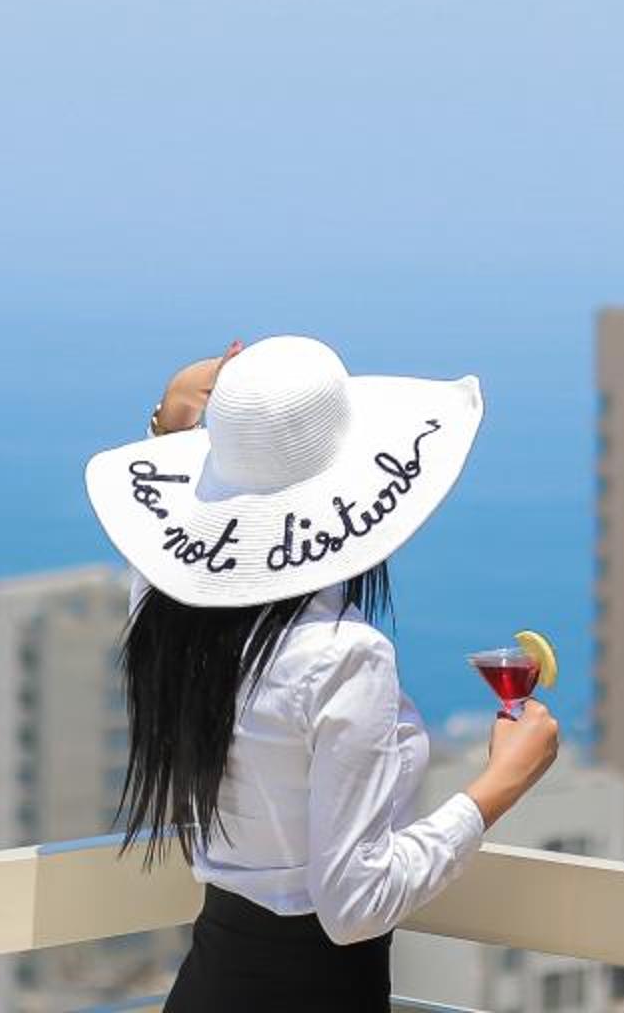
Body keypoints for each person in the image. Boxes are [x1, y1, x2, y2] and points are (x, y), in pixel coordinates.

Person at [81, 334, 562, 1011]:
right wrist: (501, 781)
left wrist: (177, 420)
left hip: (206, 984)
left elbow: (166, 537)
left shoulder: (167, 606)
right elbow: (354, 904)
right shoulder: (344, 656)